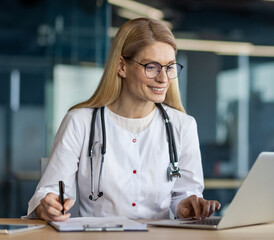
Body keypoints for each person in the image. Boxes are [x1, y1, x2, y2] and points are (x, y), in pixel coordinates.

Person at [27, 17, 220, 222]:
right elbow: (48, 192)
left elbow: (184, 194)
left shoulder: (183, 125)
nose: (163, 78)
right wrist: (47, 206)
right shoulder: (79, 122)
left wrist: (187, 206)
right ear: (122, 66)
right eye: (152, 67)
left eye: (169, 67)